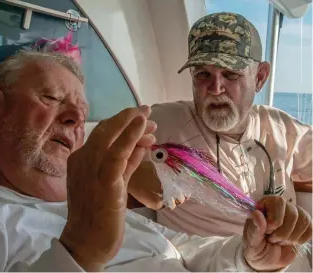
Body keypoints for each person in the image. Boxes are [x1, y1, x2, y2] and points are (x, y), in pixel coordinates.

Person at [0, 50, 310, 272]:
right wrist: (77, 252)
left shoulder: (103, 211)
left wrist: (249, 256)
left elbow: (194, 254)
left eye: (83, 110)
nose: (77, 118)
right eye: (52, 97)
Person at [128, 10, 312, 259]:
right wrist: (128, 175)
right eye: (203, 74)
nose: (215, 88)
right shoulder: (161, 122)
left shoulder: (282, 129)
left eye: (231, 74)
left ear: (260, 77)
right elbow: (88, 156)